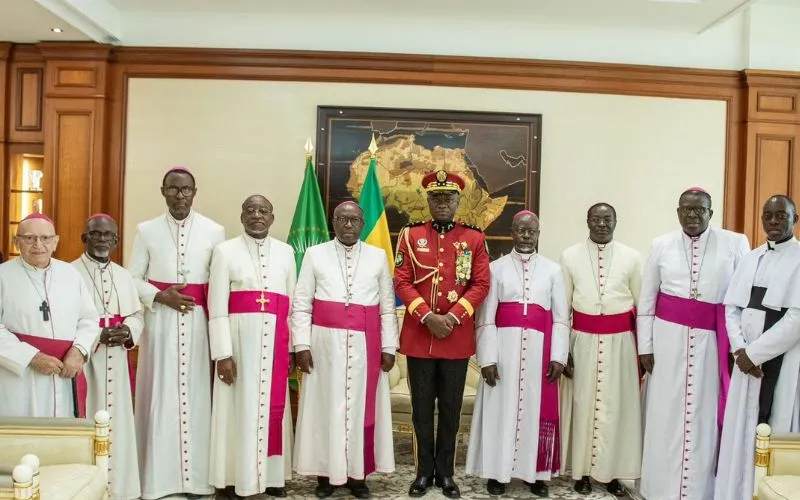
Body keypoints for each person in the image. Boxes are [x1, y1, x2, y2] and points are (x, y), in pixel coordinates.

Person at [637, 187, 750, 500]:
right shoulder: (660, 245)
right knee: (665, 414)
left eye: (700, 209)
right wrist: (645, 347)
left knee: (705, 413)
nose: (693, 215)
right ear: (677, 213)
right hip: (667, 343)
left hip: (712, 343)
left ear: (711, 213)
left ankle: (704, 490)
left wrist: (737, 347)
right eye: (686, 209)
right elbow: (647, 301)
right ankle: (660, 488)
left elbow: (741, 301)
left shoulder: (735, 243)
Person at [128, 166, 225, 500]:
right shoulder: (147, 230)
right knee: (160, 394)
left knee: (199, 397)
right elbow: (133, 279)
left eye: (186, 190)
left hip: (199, 325)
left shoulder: (215, 231)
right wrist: (159, 296)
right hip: (161, 326)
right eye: (173, 189)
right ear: (163, 191)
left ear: (194, 192)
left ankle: (198, 481)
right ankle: (159, 480)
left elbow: (219, 283)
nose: (179, 195)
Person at [292, 201, 398, 499]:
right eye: (342, 219)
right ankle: (325, 474)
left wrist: (389, 346)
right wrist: (301, 344)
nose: (348, 225)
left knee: (360, 410)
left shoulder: (378, 257)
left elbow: (387, 309)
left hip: (366, 345)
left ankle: (357, 475)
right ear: (333, 222)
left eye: (354, 220)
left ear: (362, 223)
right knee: (326, 408)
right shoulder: (315, 255)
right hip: (325, 345)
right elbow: (301, 304)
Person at [395, 170, 491, 499]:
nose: (442, 202)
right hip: (419, 338)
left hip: (456, 337)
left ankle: (446, 473)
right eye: (436, 197)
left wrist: (452, 316)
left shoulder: (474, 239)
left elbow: (481, 284)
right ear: (428, 200)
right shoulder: (410, 236)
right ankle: (423, 473)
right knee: (421, 409)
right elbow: (402, 281)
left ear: (457, 201)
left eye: (448, 197)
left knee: (450, 408)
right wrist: (426, 316)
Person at [466, 210, 568, 497]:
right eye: (521, 230)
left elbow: (561, 318)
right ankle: (497, 474)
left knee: (535, 411)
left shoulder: (553, 270)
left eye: (531, 231)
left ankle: (535, 475)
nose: (526, 235)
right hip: (504, 350)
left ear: (538, 234)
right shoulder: (496, 268)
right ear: (512, 232)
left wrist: (558, 356)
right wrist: (487, 358)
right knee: (501, 409)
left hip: (539, 352)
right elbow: (485, 318)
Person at [208, 195, 295, 499]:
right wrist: (222, 354)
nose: (257, 215)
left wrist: (294, 348)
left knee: (273, 409)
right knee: (237, 411)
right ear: (242, 216)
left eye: (263, 211)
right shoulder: (224, 251)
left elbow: (292, 305)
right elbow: (217, 307)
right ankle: (232, 478)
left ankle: (271, 477)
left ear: (272, 217)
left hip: (276, 345)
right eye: (250, 210)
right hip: (238, 346)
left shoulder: (286, 252)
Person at [715, 195, 800, 500]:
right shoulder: (751, 258)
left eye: (781, 216)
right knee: (742, 430)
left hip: (780, 363)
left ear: (794, 219)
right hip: (746, 364)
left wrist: (754, 354)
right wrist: (739, 348)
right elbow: (732, 308)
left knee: (773, 426)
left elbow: (795, 320)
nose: (774, 222)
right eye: (768, 216)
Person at [559, 203, 642, 496]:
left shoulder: (633, 257)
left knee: (616, 408)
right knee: (583, 405)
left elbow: (642, 308)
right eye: (596, 219)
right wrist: (562, 350)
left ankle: (611, 473)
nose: (602, 224)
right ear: (587, 221)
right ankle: (581, 472)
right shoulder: (569, 256)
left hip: (620, 344)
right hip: (582, 341)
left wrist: (644, 351)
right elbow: (562, 310)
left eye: (607, 219)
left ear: (616, 221)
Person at [0, 212, 98, 418]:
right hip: (21, 377)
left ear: (55, 242)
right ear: (17, 242)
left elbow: (88, 318)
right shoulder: (3, 275)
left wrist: (78, 351)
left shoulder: (70, 274)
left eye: (45, 238)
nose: (38, 244)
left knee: (61, 440)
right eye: (29, 238)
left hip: (65, 372)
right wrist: (31, 357)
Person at [73, 213, 143, 500]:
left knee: (119, 425)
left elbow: (137, 314)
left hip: (117, 359)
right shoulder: (69, 273)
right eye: (96, 234)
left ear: (115, 240)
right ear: (84, 238)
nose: (102, 239)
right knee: (87, 420)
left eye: (108, 235)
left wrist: (128, 331)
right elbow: (65, 321)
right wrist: (96, 336)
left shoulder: (123, 275)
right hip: (85, 362)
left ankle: (122, 490)